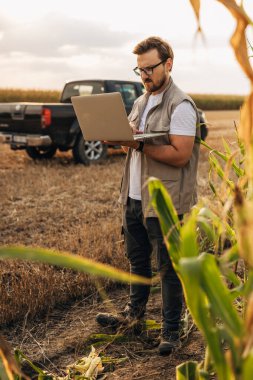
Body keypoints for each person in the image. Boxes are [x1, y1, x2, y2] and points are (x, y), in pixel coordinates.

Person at [96, 36, 200, 355]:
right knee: (137, 259)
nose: (144, 75)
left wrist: (138, 144)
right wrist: (113, 134)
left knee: (168, 267)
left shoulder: (180, 105)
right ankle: (134, 317)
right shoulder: (141, 102)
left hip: (166, 201)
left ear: (168, 64)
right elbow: (129, 138)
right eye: (139, 70)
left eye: (150, 68)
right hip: (134, 197)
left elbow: (181, 154)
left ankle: (172, 330)